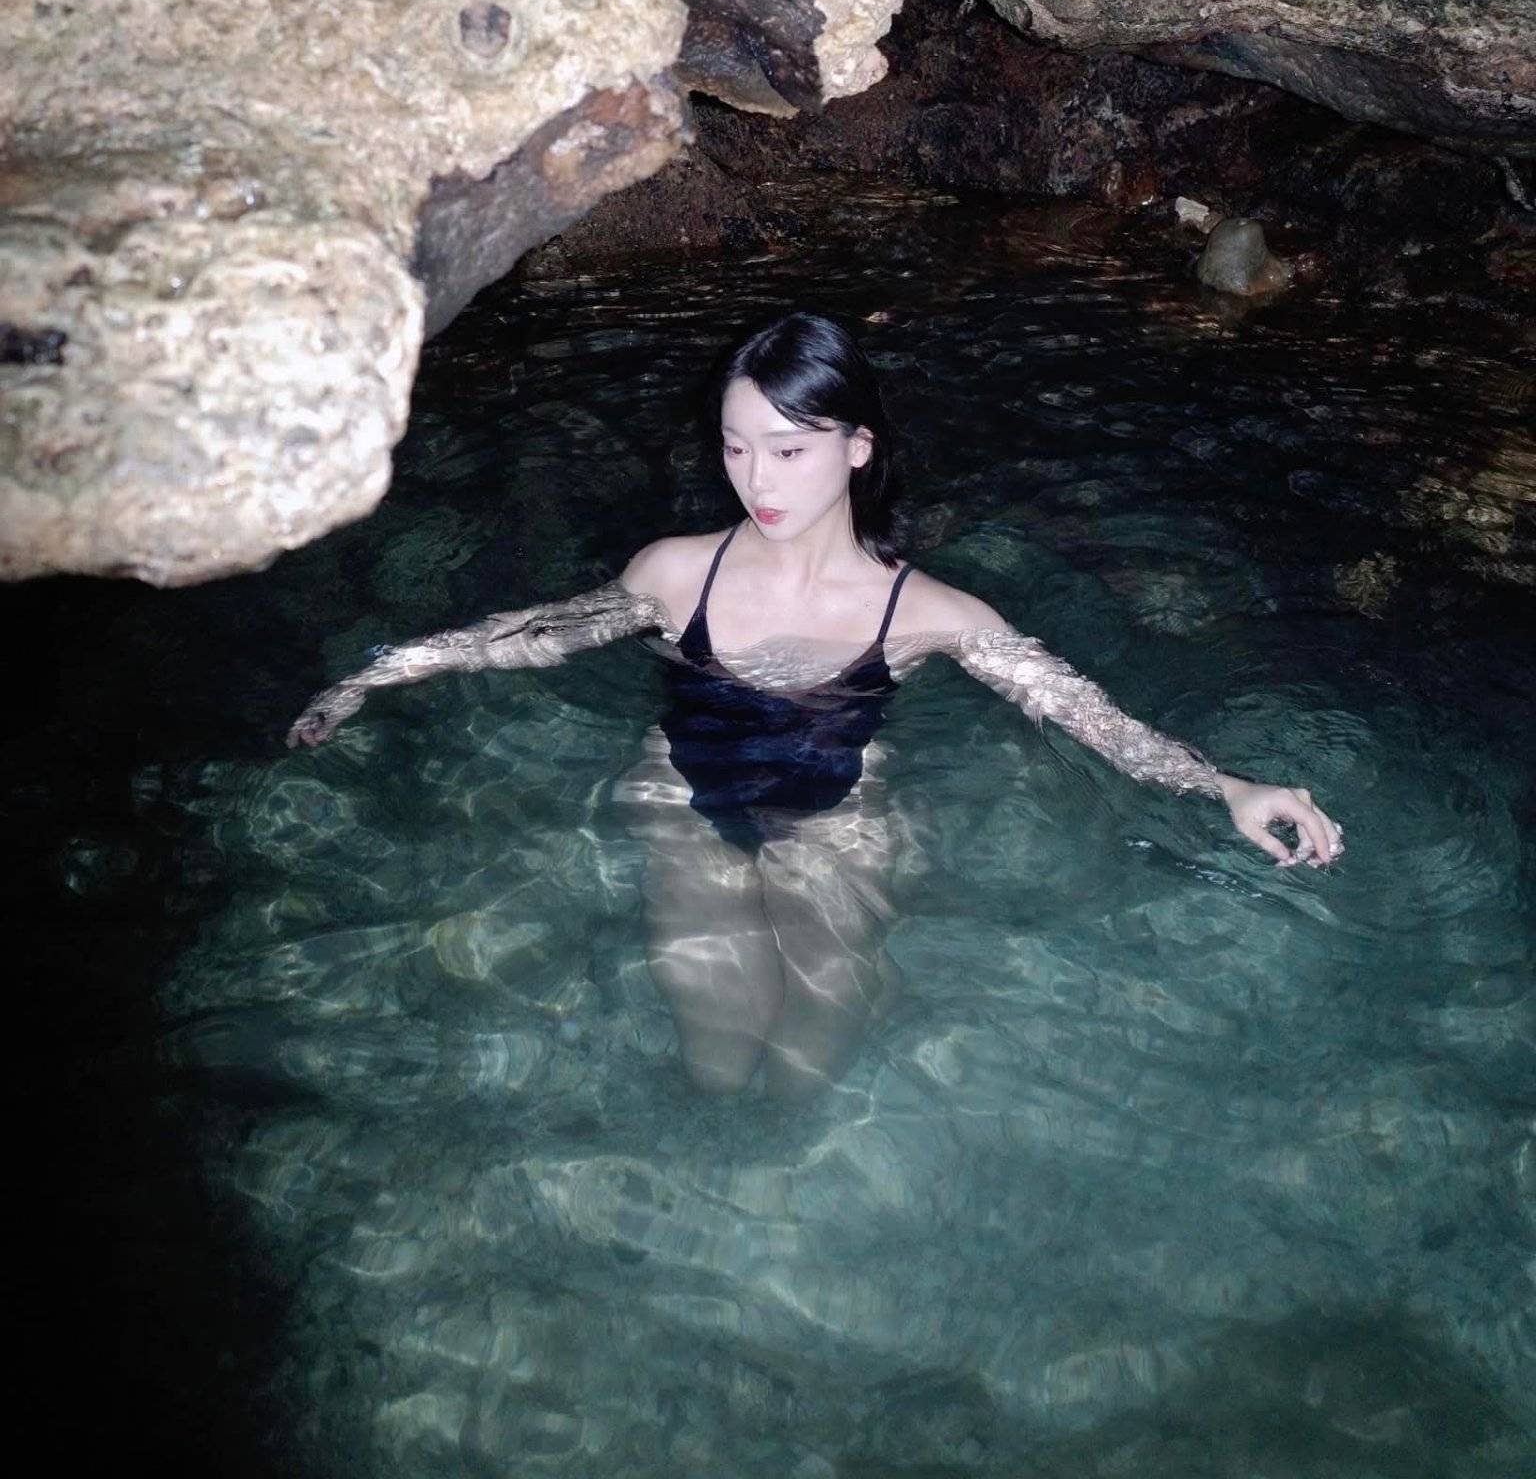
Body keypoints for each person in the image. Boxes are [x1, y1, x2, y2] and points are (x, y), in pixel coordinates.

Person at [288, 312, 1343, 1098]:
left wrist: (1229, 787)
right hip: (681, 799)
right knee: (717, 1059)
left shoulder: (925, 612)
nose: (759, 480)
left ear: (858, 447)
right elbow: (535, 634)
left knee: (807, 1063)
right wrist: (375, 676)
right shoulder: (673, 573)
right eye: (736, 446)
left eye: (789, 449)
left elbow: (1085, 715)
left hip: (839, 812)